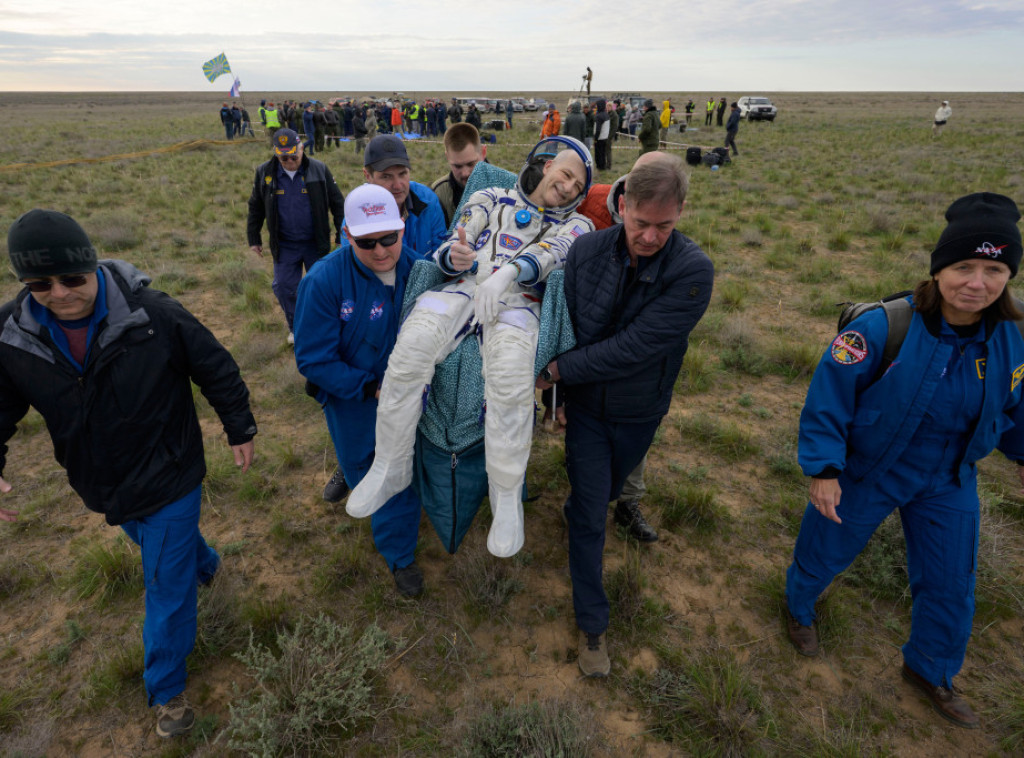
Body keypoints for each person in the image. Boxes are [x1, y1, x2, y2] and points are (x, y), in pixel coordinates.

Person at [0, 210, 257, 738]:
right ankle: (207, 565)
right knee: (167, 549)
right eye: (39, 284)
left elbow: (213, 363)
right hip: (100, 480)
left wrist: (239, 425)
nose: (59, 292)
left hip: (169, 468)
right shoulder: (13, 334)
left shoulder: (152, 313)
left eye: (71, 277)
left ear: (92, 264)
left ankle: (167, 692)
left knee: (164, 582)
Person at [784, 192, 1024, 730]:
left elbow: (1019, 403)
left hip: (950, 477)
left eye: (994, 269)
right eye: (963, 266)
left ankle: (930, 668)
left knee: (951, 581)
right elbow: (829, 397)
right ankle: (799, 607)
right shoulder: (882, 327)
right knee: (825, 549)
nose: (977, 283)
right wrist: (823, 470)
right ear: (939, 270)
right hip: (869, 468)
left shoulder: (1015, 336)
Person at [346, 137, 596, 559]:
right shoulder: (489, 196)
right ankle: (391, 465)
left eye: (579, 185)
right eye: (566, 174)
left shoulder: (578, 225)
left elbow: (554, 253)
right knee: (411, 349)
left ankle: (506, 497)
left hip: (521, 303)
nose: (570, 187)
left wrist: (508, 274)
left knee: (511, 380)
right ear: (547, 163)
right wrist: (455, 256)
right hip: (464, 288)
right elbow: (455, 238)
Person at [537, 153, 713, 677]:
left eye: (665, 226)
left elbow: (634, 347)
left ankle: (592, 506)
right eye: (641, 223)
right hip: (588, 409)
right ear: (623, 205)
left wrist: (559, 371)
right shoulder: (587, 251)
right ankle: (593, 626)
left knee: (610, 491)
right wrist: (560, 400)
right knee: (591, 510)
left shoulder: (692, 272)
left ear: (680, 213)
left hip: (640, 411)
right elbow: (566, 326)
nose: (651, 236)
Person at [293, 185, 426, 598]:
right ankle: (400, 556)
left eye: (390, 237)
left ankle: (401, 539)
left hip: (409, 394)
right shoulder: (323, 280)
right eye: (367, 242)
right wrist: (369, 386)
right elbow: (313, 359)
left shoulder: (419, 269)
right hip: (354, 400)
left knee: (408, 468)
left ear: (402, 229)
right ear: (346, 234)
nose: (382, 251)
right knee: (373, 469)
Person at [246, 128, 345, 345]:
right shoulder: (265, 172)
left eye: (294, 156)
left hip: (315, 243)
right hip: (284, 244)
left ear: (301, 148)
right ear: (276, 153)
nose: (289, 161)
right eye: (284, 157)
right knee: (283, 287)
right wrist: (254, 238)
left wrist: (341, 234)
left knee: (322, 288)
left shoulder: (318, 170)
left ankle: (325, 326)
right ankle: (296, 327)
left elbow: (338, 203)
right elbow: (255, 206)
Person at [362, 134, 447, 258]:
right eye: (386, 176)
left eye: (402, 174)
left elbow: (440, 252)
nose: (397, 185)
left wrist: (450, 259)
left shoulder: (428, 200)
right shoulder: (357, 213)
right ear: (368, 176)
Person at [430, 123, 487, 227]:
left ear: (483, 153)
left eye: (471, 164)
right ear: (447, 157)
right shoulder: (438, 193)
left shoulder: (508, 187)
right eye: (457, 166)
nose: (465, 173)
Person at [594, 99, 612, 171]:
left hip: (600, 138)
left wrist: (595, 138)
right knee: (603, 153)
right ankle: (603, 166)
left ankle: (600, 167)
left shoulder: (599, 116)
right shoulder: (606, 114)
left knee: (598, 153)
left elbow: (598, 129)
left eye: (597, 105)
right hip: (605, 137)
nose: (596, 106)